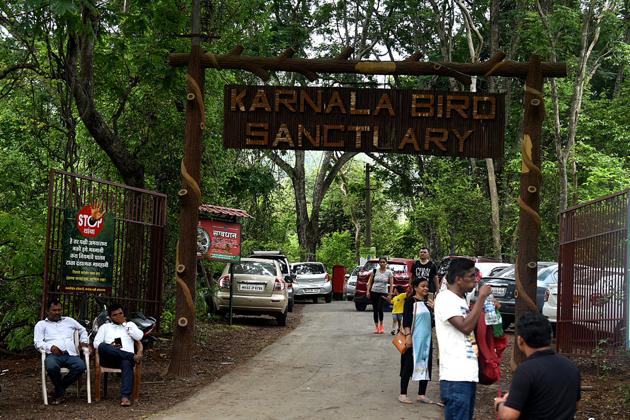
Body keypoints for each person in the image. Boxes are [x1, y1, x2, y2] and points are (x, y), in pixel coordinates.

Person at [494, 312, 581, 420]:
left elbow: (509, 415)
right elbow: (576, 405)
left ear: (520, 340)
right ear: (550, 336)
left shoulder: (525, 370)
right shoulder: (571, 367)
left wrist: (499, 404)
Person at [434, 258, 492, 420]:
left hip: (467, 375)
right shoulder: (445, 298)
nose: (476, 280)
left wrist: (488, 309)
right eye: (472, 276)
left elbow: (472, 327)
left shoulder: (461, 300)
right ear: (459, 279)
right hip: (455, 377)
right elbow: (465, 327)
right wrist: (481, 298)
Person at [34, 299, 88, 404]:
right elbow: (37, 342)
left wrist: (83, 341)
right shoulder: (41, 324)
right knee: (51, 367)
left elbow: (83, 330)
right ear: (47, 311)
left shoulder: (69, 320)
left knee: (81, 366)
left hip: (71, 354)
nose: (57, 312)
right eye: (54, 310)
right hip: (53, 355)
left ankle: (58, 391)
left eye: (59, 310)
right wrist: (50, 347)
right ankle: (60, 391)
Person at [399, 277, 442, 406]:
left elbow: (433, 323)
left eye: (427, 286)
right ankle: (403, 394)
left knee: (426, 365)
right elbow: (406, 320)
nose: (426, 288)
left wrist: (435, 310)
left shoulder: (428, 303)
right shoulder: (410, 302)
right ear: (415, 287)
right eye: (422, 286)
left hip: (426, 339)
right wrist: (408, 336)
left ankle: (421, 394)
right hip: (413, 338)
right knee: (408, 365)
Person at [93, 303, 143, 406]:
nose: (119, 316)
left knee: (126, 363)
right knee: (102, 346)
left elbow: (139, 337)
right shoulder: (105, 327)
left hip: (124, 360)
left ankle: (125, 397)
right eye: (115, 315)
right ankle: (132, 357)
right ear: (110, 317)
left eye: (120, 313)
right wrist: (110, 346)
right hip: (109, 358)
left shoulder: (130, 325)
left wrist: (125, 324)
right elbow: (96, 343)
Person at [366, 257, 393, 334]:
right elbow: (370, 282)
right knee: (375, 309)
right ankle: (376, 327)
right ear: (379, 263)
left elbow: (391, 284)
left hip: (383, 292)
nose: (382, 263)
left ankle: (381, 325)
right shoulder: (374, 271)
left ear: (386, 263)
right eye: (380, 262)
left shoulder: (389, 272)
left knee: (380, 308)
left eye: (384, 262)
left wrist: (390, 294)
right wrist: (368, 291)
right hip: (374, 291)